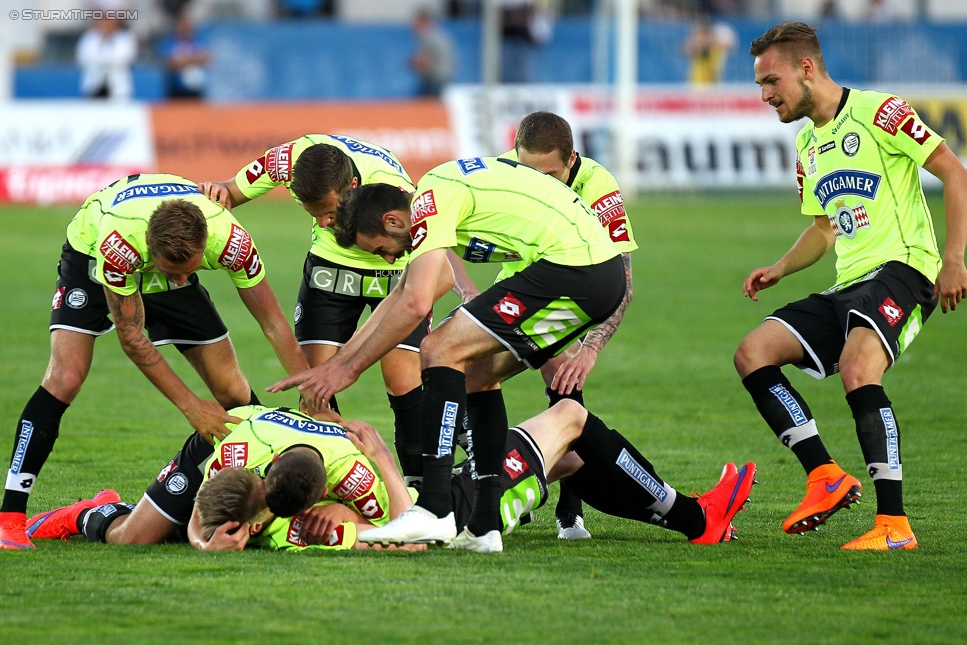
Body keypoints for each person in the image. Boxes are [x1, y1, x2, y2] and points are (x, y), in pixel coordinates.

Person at [270, 158, 627, 552]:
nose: (388, 259)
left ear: (392, 221)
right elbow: (402, 295)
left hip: (575, 268)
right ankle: (485, 526)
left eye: (381, 251)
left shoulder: (430, 201)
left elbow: (416, 303)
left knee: (438, 348)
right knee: (475, 373)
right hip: (591, 272)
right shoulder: (430, 202)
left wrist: (349, 371)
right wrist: (335, 366)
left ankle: (433, 509)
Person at [736, 22, 967, 551]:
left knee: (859, 367)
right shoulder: (807, 143)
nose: (766, 95)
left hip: (906, 270)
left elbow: (954, 174)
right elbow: (824, 228)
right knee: (753, 353)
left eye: (771, 81)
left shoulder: (881, 112)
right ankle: (824, 476)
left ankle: (894, 526)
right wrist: (781, 267)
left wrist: (952, 259)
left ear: (807, 68)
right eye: (759, 85)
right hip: (850, 284)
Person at [0, 173, 310, 550]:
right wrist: (192, 406)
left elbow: (274, 323)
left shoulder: (231, 241)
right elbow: (133, 337)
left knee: (232, 390)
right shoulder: (120, 245)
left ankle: (257, 506)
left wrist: (312, 391)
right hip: (91, 256)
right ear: (150, 246)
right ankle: (10, 518)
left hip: (160, 255)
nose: (182, 280)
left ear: (203, 247)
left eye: (190, 271)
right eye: (173, 271)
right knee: (65, 377)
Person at [27, 403, 757, 553]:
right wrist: (378, 470)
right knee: (570, 419)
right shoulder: (352, 478)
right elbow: (419, 534)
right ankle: (695, 517)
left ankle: (98, 512)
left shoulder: (229, 446)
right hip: (471, 506)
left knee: (130, 536)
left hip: (222, 438)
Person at [199, 135, 430, 487]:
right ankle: (333, 476)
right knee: (314, 383)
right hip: (330, 269)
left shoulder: (393, 192)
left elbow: (431, 243)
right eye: (313, 214)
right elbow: (228, 191)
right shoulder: (287, 163)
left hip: (394, 267)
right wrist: (214, 194)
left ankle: (421, 488)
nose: (323, 222)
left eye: (329, 213)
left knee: (402, 380)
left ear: (354, 186)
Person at [489, 111, 637, 540]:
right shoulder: (502, 173)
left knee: (566, 389)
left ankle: (569, 512)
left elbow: (623, 283)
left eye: (550, 174)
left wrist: (588, 348)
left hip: (571, 297)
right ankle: (504, 481)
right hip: (514, 294)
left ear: (571, 160)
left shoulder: (598, 186)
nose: (539, 184)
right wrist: (465, 293)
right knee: (451, 373)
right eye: (529, 172)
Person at [75, 2, 137, 100]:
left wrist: (109, 41)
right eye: (104, 19)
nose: (107, 22)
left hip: (119, 89)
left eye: (110, 19)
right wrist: (103, 41)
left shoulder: (125, 38)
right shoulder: (89, 38)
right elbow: (84, 58)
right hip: (93, 86)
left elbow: (124, 58)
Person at [159, 11, 211, 100]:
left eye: (187, 24)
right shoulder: (170, 42)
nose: (185, 27)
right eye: (182, 24)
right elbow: (170, 64)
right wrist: (194, 60)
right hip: (176, 90)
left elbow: (207, 58)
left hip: (196, 90)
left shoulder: (198, 41)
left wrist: (183, 61)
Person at [410, 9, 456, 98]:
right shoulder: (442, 35)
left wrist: (413, 63)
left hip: (435, 80)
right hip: (446, 77)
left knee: (430, 107)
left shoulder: (427, 37)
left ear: (423, 21)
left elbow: (425, 61)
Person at [683, 16, 738, 86]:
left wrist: (708, 43)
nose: (699, 37)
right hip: (695, 85)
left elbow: (726, 45)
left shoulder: (716, 47)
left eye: (701, 33)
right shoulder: (695, 47)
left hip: (712, 85)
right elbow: (686, 49)